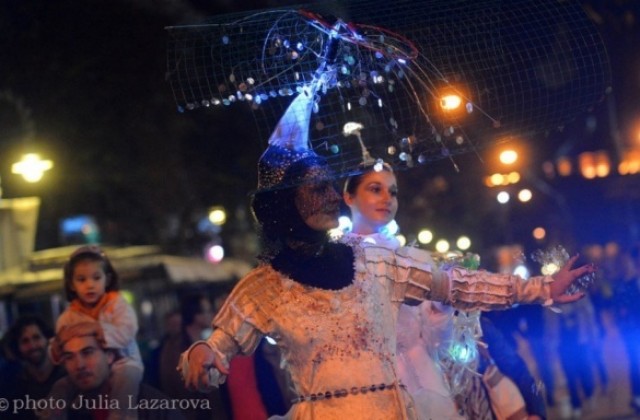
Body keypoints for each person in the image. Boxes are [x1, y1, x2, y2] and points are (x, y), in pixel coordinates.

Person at [178, 88, 592, 420]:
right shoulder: (263, 287)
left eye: (329, 185)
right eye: (314, 188)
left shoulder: (373, 261)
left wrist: (541, 287)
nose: (328, 197)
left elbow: (457, 286)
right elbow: (220, 344)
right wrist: (203, 354)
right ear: (284, 204)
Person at [342, 163, 546, 419]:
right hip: (371, 394)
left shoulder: (413, 260)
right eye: (375, 189)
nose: (387, 199)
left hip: (430, 390)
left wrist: (442, 306)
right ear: (349, 196)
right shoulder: (337, 264)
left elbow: (438, 340)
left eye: (393, 192)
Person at [48, 245, 143, 420]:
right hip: (85, 369)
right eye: (81, 279)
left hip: (124, 363)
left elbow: (127, 331)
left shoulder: (117, 305)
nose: (89, 285)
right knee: (59, 388)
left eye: (96, 278)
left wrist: (97, 329)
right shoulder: (68, 317)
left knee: (123, 394)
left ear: (107, 279)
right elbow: (59, 350)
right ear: (71, 284)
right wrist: (56, 345)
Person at [51, 321, 184, 420]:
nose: (79, 365)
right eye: (69, 357)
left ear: (109, 356)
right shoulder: (67, 410)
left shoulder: (153, 406)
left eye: (87, 353)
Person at [158, 294, 232, 420]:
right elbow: (179, 387)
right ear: (196, 316)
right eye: (207, 310)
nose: (212, 314)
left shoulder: (202, 342)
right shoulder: (177, 347)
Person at [0, 315, 66, 420]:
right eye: (25, 341)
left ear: (47, 339)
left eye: (36, 337)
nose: (32, 346)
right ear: (18, 347)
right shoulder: (14, 386)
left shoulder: (66, 376)